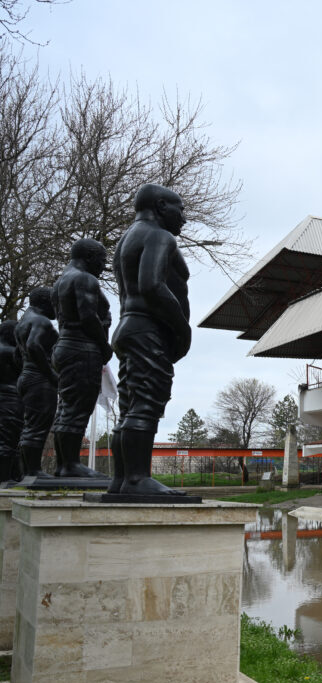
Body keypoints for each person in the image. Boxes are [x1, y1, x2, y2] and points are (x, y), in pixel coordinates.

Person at [109, 184, 191, 496]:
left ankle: (121, 479)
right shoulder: (159, 235)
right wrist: (183, 329)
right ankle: (137, 479)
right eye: (179, 209)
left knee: (129, 406)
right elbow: (152, 285)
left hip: (130, 327)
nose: (183, 218)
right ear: (160, 206)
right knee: (145, 404)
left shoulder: (127, 238)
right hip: (147, 329)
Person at [50, 238, 113, 478]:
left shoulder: (60, 281)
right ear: (88, 256)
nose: (103, 265)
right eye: (101, 259)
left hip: (65, 346)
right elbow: (88, 317)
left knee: (66, 407)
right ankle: (70, 465)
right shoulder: (85, 279)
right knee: (78, 408)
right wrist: (104, 345)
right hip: (81, 347)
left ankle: (63, 465)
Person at [15, 287, 58, 477]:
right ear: (45, 303)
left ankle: (27, 471)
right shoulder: (41, 321)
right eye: (54, 303)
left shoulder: (22, 323)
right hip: (38, 379)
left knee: (29, 425)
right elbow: (34, 345)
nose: (57, 309)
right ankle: (33, 471)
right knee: (38, 425)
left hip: (26, 376)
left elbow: (18, 355)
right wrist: (51, 374)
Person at [0, 320, 23, 483]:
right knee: (9, 440)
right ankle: (5, 478)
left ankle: (13, 475)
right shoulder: (12, 352)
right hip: (10, 399)